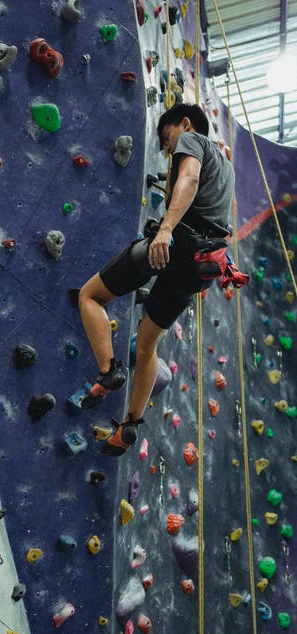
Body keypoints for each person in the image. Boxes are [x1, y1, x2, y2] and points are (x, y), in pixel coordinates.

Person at [78, 103, 235, 456]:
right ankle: (129, 426)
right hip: (201, 268)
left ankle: (108, 371)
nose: (167, 148)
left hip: (177, 246)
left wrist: (165, 229)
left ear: (185, 123)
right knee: (148, 345)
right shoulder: (227, 170)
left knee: (90, 296)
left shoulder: (192, 140)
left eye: (166, 138)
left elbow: (190, 178)